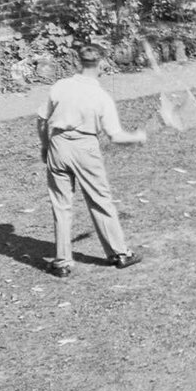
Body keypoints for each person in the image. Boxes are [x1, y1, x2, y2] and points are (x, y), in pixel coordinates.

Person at [37, 45, 147, 276]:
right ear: (102, 64)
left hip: (58, 145)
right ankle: (120, 254)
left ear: (79, 61)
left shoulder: (61, 86)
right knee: (100, 199)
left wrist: (46, 147)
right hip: (85, 147)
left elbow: (41, 120)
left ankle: (62, 263)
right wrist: (137, 137)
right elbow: (115, 136)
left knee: (61, 205)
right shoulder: (100, 96)